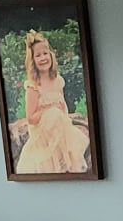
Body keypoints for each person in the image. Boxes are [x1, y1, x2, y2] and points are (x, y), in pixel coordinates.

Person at [16, 30, 88, 173]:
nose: (43, 58)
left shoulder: (57, 81)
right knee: (53, 113)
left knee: (61, 119)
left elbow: (63, 108)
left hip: (59, 131)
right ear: (33, 61)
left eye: (45, 53)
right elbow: (31, 119)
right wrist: (49, 109)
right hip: (42, 137)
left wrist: (61, 114)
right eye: (38, 55)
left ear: (51, 55)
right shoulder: (33, 86)